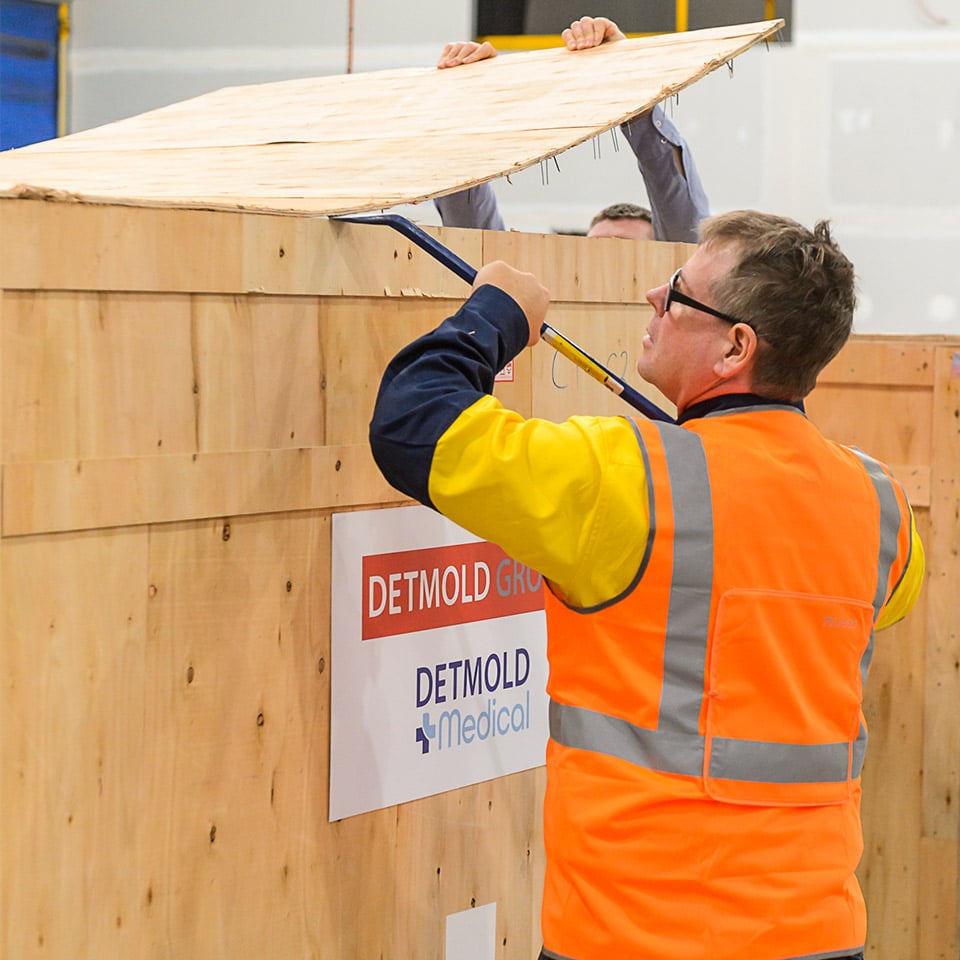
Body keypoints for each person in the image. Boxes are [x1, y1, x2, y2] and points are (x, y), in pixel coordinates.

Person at [369, 209, 925, 959]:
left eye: (679, 294)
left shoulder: (626, 479)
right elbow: (879, 600)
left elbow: (414, 425)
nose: (651, 300)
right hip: (816, 938)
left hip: (633, 937)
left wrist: (495, 314)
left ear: (736, 347)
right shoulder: (879, 501)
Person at [432, 16, 710, 242]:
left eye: (625, 251)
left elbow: (681, 226)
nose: (605, 264)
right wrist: (461, 113)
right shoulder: (546, 307)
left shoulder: (669, 301)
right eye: (593, 250)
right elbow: (475, 244)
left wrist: (631, 88)